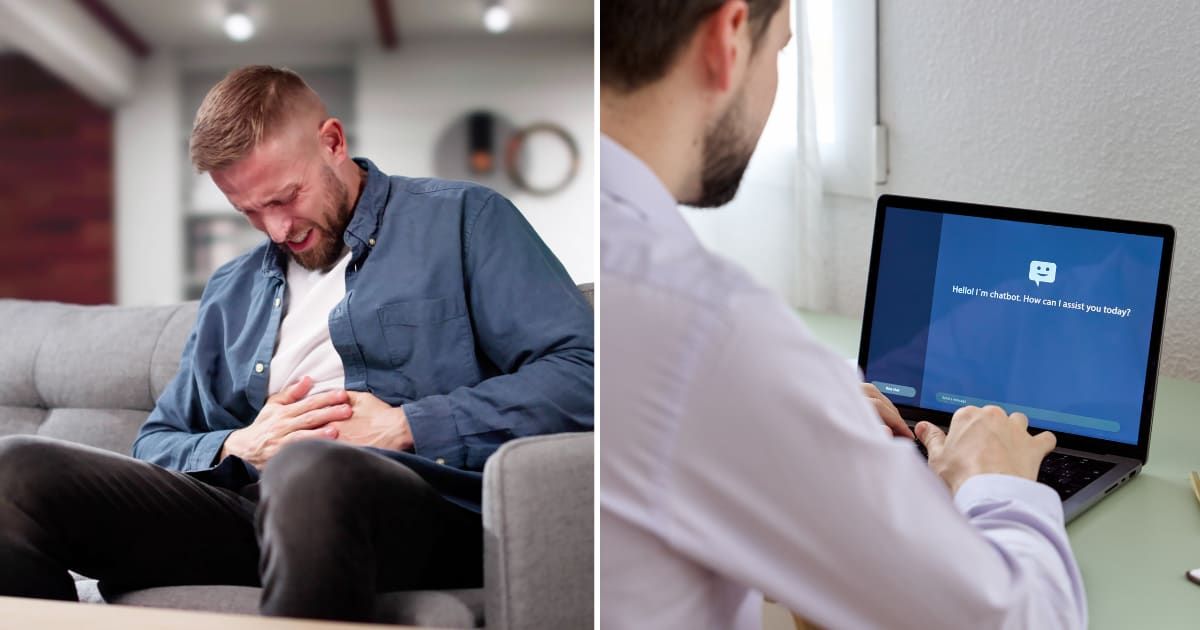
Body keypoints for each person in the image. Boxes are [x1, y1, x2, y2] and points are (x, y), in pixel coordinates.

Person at [0, 65, 593, 621]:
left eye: (285, 198)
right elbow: (158, 441)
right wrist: (241, 442)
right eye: (251, 213)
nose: (278, 229)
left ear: (332, 141)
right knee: (14, 471)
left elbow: (584, 371)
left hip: (419, 505)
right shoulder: (232, 290)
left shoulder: (463, 221)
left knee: (310, 470)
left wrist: (408, 424)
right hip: (257, 511)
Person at [599, 1, 1085, 628]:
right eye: (780, 49)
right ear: (727, 38)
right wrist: (997, 480)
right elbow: (1029, 620)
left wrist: (807, 420)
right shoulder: (708, 329)